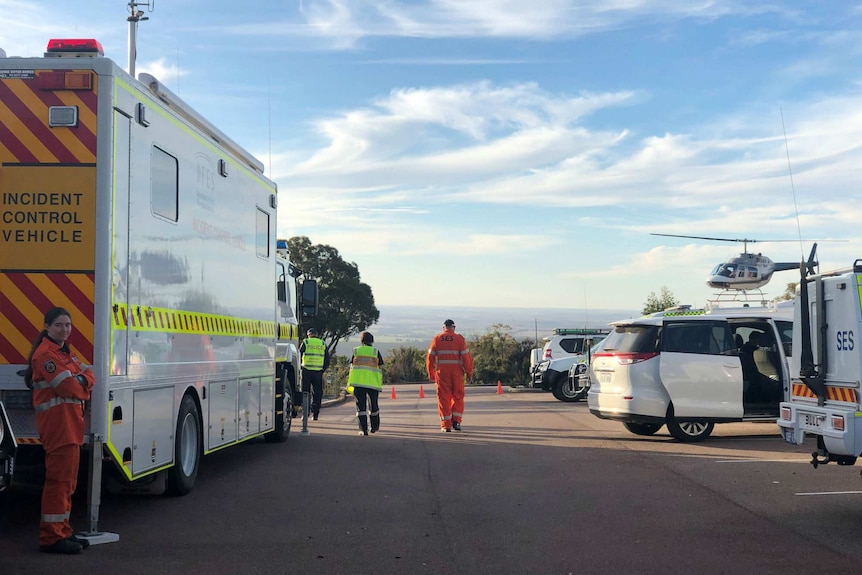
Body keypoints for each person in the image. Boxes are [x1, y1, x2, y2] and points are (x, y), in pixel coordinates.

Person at [24, 307, 95, 554]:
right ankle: (51, 537)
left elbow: (88, 375)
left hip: (70, 427)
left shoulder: (65, 354)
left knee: (69, 483)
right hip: (58, 428)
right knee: (59, 483)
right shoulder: (46, 355)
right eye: (59, 325)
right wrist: (83, 382)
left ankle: (63, 530)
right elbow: (68, 387)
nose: (64, 329)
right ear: (47, 327)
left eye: (67, 325)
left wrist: (83, 380)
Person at [426, 319, 473, 432]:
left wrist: (431, 373)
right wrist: (469, 373)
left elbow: (430, 358)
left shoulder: (437, 338)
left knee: (444, 398)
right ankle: (456, 422)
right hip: (457, 373)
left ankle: (446, 425)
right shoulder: (459, 339)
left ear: (444, 327)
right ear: (453, 327)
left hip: (442, 374)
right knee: (458, 397)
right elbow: (466, 358)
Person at [346, 332, 384, 436]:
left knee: (361, 407)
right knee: (374, 406)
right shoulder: (375, 352)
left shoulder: (356, 351)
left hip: (358, 383)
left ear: (361, 341)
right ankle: (374, 427)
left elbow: (351, 367)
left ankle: (363, 429)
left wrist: (349, 383)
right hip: (373, 384)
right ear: (372, 341)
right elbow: (381, 367)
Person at [299, 327, 330, 420]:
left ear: (308, 335)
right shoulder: (322, 343)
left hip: (306, 371)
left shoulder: (306, 342)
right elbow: (327, 360)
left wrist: (300, 367)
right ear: (317, 335)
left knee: (305, 392)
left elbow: (299, 354)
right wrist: (322, 369)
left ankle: (305, 412)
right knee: (317, 393)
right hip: (318, 372)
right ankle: (315, 414)